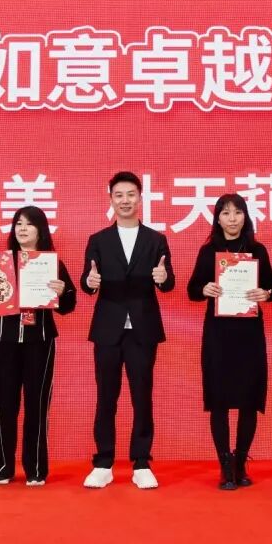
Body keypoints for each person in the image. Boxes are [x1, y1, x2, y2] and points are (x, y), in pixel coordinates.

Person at [80, 171, 175, 489]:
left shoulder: (156, 239)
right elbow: (86, 281)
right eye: (119, 195)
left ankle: (141, 462)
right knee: (106, 396)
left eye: (131, 194)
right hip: (108, 328)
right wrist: (90, 282)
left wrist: (163, 278)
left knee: (142, 396)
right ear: (110, 199)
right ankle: (103, 461)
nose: (125, 200)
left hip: (142, 328)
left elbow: (169, 282)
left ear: (140, 198)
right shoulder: (98, 240)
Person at [0, 206, 76, 487]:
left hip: (39, 341)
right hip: (5, 340)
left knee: (37, 404)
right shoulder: (0, 263)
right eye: (18, 223)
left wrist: (61, 292)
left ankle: (36, 468)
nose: (22, 229)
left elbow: (69, 304)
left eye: (29, 224)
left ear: (41, 230)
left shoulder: (51, 263)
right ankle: (2, 467)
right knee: (3, 404)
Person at [186, 193, 272, 490]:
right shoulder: (208, 251)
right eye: (226, 213)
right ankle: (225, 464)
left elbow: (271, 288)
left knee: (249, 398)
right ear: (218, 218)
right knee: (219, 399)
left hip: (249, 333)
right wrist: (205, 289)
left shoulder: (257, 250)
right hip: (218, 334)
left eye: (237, 213)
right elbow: (192, 290)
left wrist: (265, 294)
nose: (232, 219)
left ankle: (240, 461)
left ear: (245, 216)